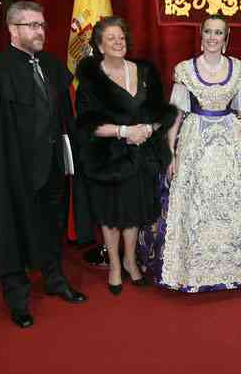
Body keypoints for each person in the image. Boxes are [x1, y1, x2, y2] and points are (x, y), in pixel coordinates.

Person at [138, 15, 241, 292]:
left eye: (218, 33)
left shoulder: (238, 69)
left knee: (235, 203)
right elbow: (176, 114)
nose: (213, 37)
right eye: (208, 32)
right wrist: (171, 153)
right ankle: (193, 271)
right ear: (201, 36)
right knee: (196, 204)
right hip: (196, 141)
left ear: (226, 38)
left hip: (232, 140)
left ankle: (238, 268)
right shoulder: (185, 70)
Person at [0, 1, 86, 329]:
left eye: (42, 25)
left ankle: (55, 279)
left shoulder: (51, 65)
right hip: (14, 171)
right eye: (32, 25)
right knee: (12, 230)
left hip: (52, 165)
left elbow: (64, 117)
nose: (40, 32)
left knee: (52, 225)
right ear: (13, 29)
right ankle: (18, 299)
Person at [75, 16, 176, 296]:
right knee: (111, 214)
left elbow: (161, 113)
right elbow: (87, 124)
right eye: (111, 39)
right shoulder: (91, 80)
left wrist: (148, 128)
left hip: (143, 155)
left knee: (134, 211)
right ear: (99, 46)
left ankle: (131, 261)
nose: (118, 43)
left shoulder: (145, 71)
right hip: (108, 157)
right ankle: (115, 265)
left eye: (121, 37)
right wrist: (123, 131)